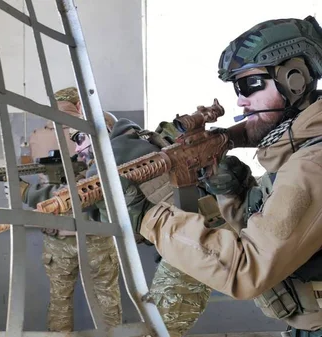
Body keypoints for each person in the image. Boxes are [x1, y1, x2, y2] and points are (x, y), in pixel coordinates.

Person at [99, 16, 322, 336]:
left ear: (294, 79)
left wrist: (150, 218)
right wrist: (234, 193)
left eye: (249, 84)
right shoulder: (299, 149)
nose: (240, 100)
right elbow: (273, 236)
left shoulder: (311, 162)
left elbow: (248, 271)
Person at [17, 87, 216, 335]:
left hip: (193, 245)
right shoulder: (141, 139)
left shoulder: (109, 162)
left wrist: (27, 193)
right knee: (118, 308)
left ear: (102, 133)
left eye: (80, 139)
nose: (77, 148)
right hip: (194, 236)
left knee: (160, 326)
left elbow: (80, 201)